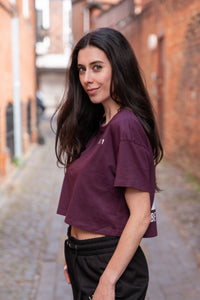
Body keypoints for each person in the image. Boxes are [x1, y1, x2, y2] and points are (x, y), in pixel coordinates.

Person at [53, 27, 163, 300]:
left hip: (108, 265)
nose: (87, 78)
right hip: (85, 259)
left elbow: (140, 216)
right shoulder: (98, 125)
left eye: (97, 67)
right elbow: (93, 200)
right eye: (81, 69)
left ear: (119, 68)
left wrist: (108, 280)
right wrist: (75, 254)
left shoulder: (126, 126)